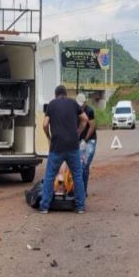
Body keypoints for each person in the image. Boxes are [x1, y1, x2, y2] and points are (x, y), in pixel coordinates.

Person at [40, 85, 89, 214]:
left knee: (50, 176)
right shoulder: (73, 104)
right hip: (73, 146)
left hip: (57, 146)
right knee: (77, 176)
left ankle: (45, 206)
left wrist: (49, 136)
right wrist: (78, 132)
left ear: (56, 95)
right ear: (66, 94)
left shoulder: (52, 104)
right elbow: (85, 119)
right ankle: (80, 207)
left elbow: (44, 124)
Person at [76, 93, 97, 193]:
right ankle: (81, 189)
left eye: (82, 104)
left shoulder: (89, 111)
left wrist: (85, 139)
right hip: (80, 141)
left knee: (84, 165)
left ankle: (83, 191)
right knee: (80, 166)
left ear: (85, 102)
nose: (80, 106)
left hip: (89, 141)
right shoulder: (76, 111)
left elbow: (92, 127)